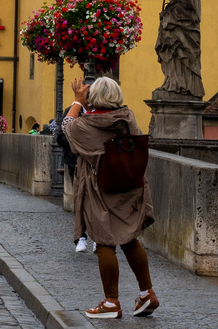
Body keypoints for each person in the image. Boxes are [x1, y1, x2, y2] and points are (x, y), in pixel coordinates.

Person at [62, 77, 158, 320]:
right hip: (130, 185)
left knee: (105, 241)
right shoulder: (127, 119)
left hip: (101, 188)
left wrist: (77, 100)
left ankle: (111, 302)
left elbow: (66, 126)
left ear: (93, 98)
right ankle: (147, 293)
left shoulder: (87, 124)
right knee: (129, 239)